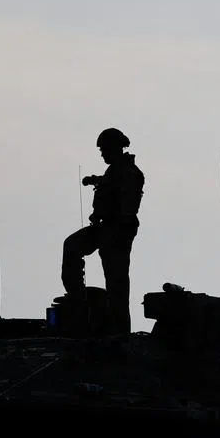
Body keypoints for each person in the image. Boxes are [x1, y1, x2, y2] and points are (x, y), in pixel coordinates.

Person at [60, 127, 145, 334]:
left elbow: (127, 205)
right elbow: (110, 184)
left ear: (114, 149)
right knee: (71, 246)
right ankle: (79, 302)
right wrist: (95, 180)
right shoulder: (115, 172)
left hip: (117, 231)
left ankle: (119, 333)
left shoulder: (129, 174)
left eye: (104, 150)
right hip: (103, 227)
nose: (102, 154)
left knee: (116, 283)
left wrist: (114, 228)